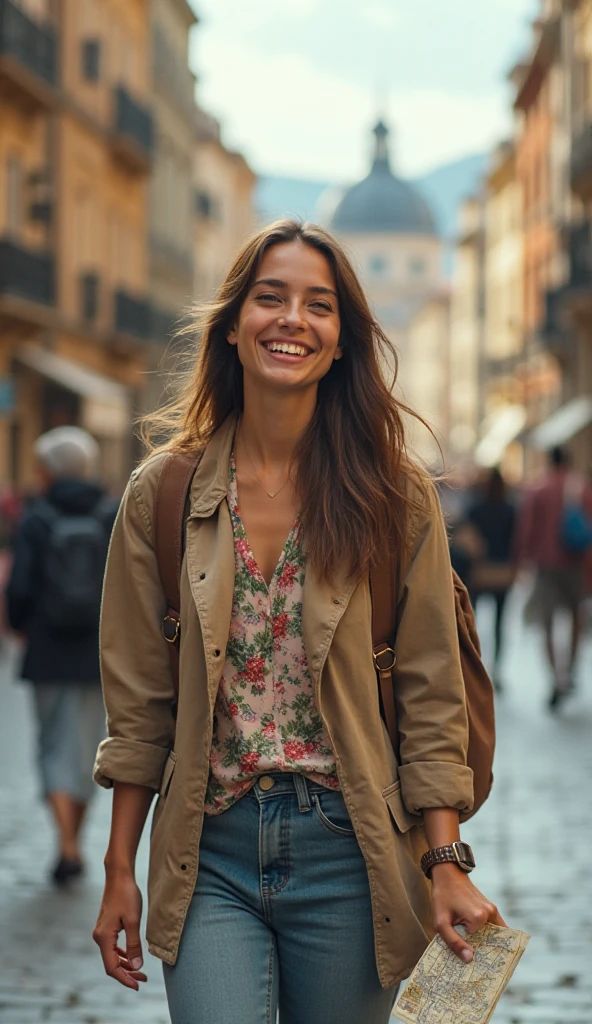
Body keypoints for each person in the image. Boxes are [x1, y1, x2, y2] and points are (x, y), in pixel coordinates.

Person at [92, 220, 504, 1024]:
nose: (292, 320)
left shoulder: (394, 497)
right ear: (233, 324)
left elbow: (430, 695)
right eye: (269, 298)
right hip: (208, 851)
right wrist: (118, 869)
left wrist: (446, 860)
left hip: (352, 852)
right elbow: (138, 707)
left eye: (319, 305)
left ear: (342, 339)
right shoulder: (162, 495)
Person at [6, 426, 117, 885]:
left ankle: (66, 844)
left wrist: (19, 626)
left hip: (48, 649)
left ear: (49, 471)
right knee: (90, 748)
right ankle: (76, 838)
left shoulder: (37, 517)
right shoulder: (111, 511)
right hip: (99, 649)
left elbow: (20, 587)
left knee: (51, 743)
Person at [516, 445, 592, 708]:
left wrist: (522, 561)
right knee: (576, 618)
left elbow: (526, 530)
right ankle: (570, 670)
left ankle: (555, 679)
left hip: (546, 565)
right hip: (576, 564)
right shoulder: (581, 487)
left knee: (546, 623)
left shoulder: (537, 489)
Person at [467, 468, 517, 691]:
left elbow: (466, 536)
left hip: (480, 570)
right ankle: (496, 670)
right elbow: (517, 541)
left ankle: (474, 666)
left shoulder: (476, 509)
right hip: (502, 570)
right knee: (499, 624)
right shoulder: (510, 509)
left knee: (472, 621)